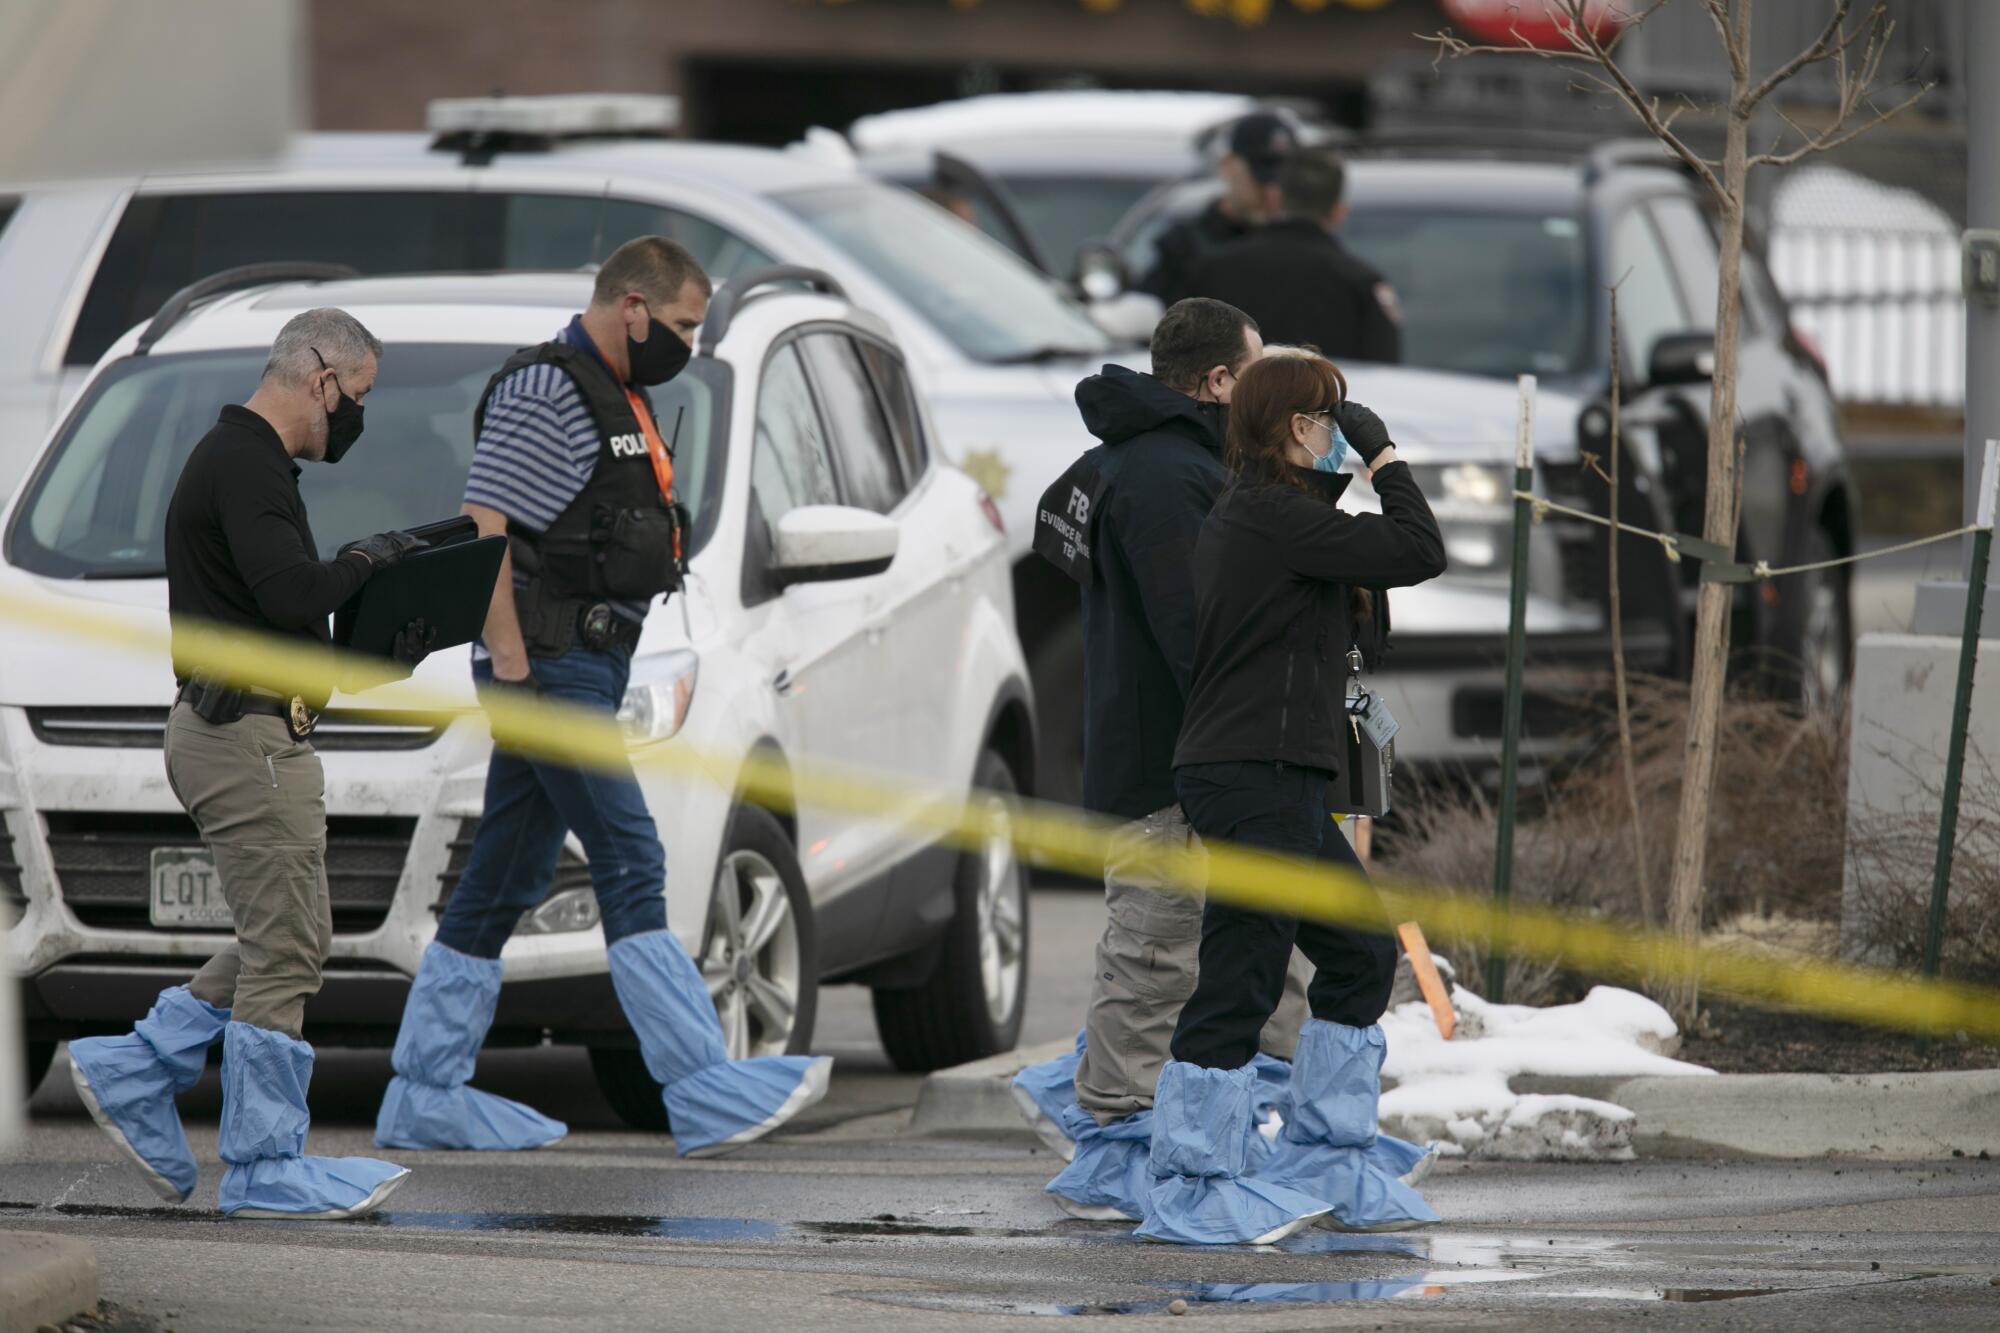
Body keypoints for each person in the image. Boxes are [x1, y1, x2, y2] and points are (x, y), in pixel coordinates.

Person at [371, 236, 831, 1157]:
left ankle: (425, 1091)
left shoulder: (617, 392)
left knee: (505, 870)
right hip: (548, 669)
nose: (688, 344)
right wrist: (507, 659)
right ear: (631, 305)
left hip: (582, 663)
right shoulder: (550, 389)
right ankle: (700, 1086)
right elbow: (485, 525)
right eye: (683, 324)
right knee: (631, 852)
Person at [68, 308, 426, 1219]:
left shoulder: (251, 464)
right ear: (320, 378)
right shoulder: (244, 463)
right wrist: (365, 560)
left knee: (289, 935)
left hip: (252, 733)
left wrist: (387, 642)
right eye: (359, 398)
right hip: (242, 740)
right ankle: (266, 1165)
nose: (356, 419)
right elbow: (290, 589)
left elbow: (278, 623)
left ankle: (135, 1065)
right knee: (288, 948)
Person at [1014, 301, 1329, 1223]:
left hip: (1210, 754)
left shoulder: (1176, 463)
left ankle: (1221, 1132)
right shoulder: (1162, 474)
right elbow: (1202, 633)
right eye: (1256, 366)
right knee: (1156, 956)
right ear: (1218, 383)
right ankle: (1115, 1145)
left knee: (1240, 954)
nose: (1269, 385)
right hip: (1174, 761)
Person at [1138, 352, 1447, 1246]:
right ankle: (1196, 1180)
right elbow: (1419, 549)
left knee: (1356, 954)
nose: (1339, 434)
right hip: (1250, 771)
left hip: (1279, 774)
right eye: (1330, 418)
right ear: (1291, 429)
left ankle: (1324, 1154)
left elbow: (1365, 598)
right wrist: (1385, 460)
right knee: (1242, 969)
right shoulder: (1269, 515)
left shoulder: (1286, 518)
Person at [1186, 147, 1402, 365]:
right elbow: (1384, 371)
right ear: (1338, 212)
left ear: (1276, 199)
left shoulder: (1214, 270)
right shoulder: (1360, 284)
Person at [1137, 111, 1296, 307]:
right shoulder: (1183, 247)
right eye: (1261, 176)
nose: (1271, 190)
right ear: (1227, 166)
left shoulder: (1299, 247)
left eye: (1282, 179)